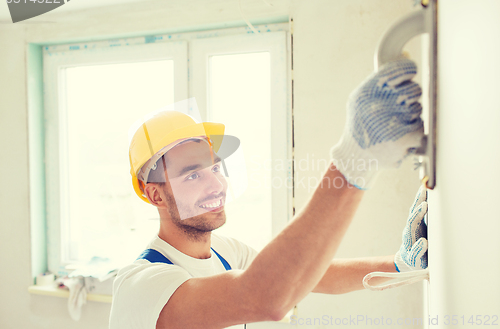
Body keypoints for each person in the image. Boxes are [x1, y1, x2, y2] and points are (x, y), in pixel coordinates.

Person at [109, 58, 428, 329]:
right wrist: (356, 159)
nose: (217, 186)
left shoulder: (226, 252)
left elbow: (309, 274)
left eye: (215, 169)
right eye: (193, 174)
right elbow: (265, 296)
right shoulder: (140, 286)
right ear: (156, 195)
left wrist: (398, 265)